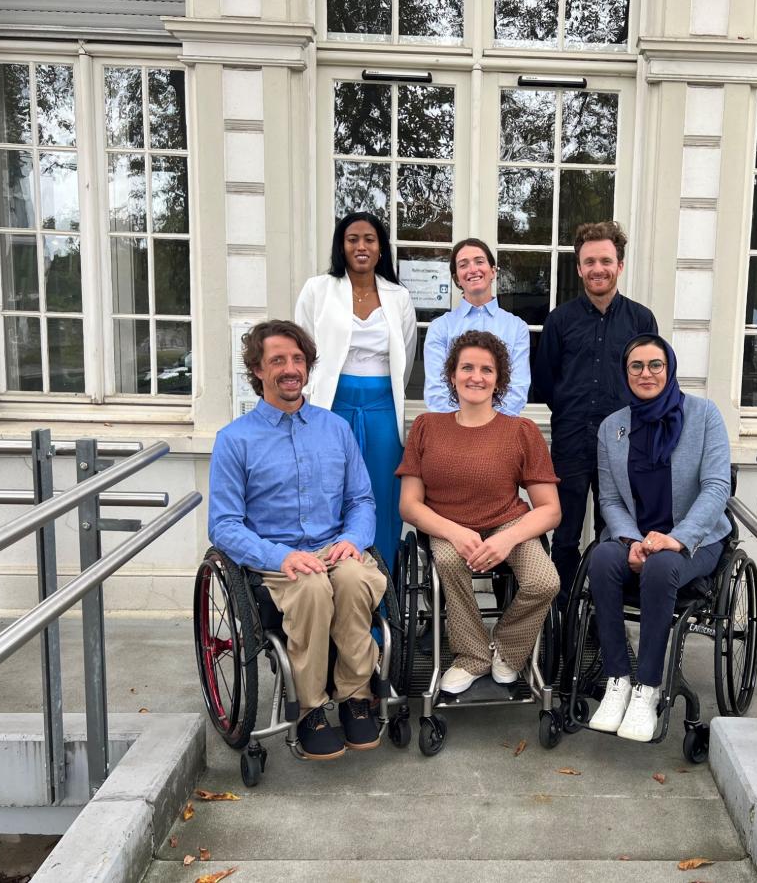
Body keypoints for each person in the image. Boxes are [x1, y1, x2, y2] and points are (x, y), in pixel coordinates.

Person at [208, 320, 388, 759]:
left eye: (297, 359)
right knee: (310, 587)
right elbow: (225, 525)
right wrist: (280, 557)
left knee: (354, 579)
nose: (290, 369)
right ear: (257, 370)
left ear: (307, 367)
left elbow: (361, 499)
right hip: (275, 557)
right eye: (277, 360)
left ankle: (356, 696)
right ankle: (310, 708)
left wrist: (353, 538)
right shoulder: (234, 440)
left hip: (333, 546)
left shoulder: (335, 429)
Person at [584, 333, 731, 742]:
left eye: (655, 365)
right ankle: (618, 679)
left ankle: (647, 687)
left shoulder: (704, 415)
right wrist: (631, 540)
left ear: (669, 369)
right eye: (636, 366)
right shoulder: (613, 427)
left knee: (662, 567)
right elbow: (609, 499)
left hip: (694, 541)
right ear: (625, 372)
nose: (646, 373)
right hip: (636, 538)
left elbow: (717, 487)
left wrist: (676, 539)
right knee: (601, 559)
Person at [397, 330, 561, 695]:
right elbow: (409, 504)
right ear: (452, 375)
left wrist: (507, 539)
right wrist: (454, 532)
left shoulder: (521, 430)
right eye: (467, 368)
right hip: (446, 523)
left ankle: (506, 648)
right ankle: (472, 656)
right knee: (449, 561)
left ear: (499, 380)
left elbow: (550, 510)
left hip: (507, 522)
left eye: (487, 370)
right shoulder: (426, 426)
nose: (476, 377)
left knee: (544, 581)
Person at [532, 221, 657, 600]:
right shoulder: (560, 321)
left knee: (616, 533)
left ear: (620, 265)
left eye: (605, 260)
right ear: (579, 267)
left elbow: (651, 380)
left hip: (624, 445)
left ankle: (605, 617)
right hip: (571, 440)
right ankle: (563, 613)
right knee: (565, 534)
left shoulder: (641, 320)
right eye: (589, 262)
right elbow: (546, 381)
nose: (597, 269)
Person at [294, 212, 417, 573]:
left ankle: (381, 593)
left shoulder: (398, 296)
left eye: (369, 239)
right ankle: (331, 583)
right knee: (330, 493)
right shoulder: (317, 289)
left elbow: (406, 358)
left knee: (382, 495)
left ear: (381, 248)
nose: (361, 246)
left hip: (382, 409)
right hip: (332, 406)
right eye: (352, 239)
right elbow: (302, 348)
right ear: (341, 246)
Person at [422, 238, 530, 416]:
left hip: (501, 428)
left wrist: (490, 425)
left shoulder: (517, 327)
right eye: (463, 265)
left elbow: (517, 389)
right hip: (452, 428)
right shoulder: (440, 328)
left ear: (493, 271)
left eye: (479, 262)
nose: (473, 269)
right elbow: (436, 390)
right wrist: (461, 424)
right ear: (456, 278)